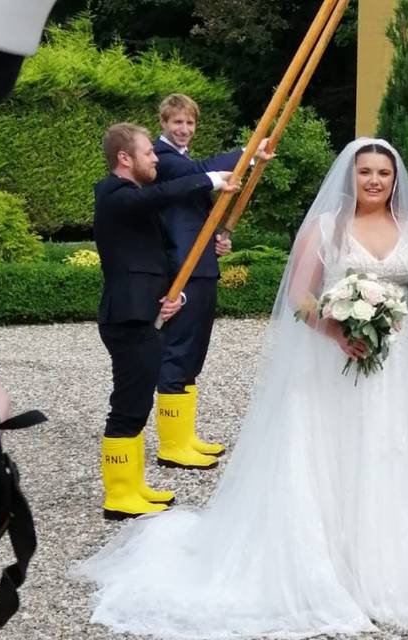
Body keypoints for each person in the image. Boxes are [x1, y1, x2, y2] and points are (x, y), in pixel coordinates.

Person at [75, 139, 408, 637]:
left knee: (395, 454)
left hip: (399, 369)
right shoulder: (327, 226)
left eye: (384, 172)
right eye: (365, 172)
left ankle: (393, 563)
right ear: (350, 176)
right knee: (333, 457)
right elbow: (300, 295)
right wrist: (337, 329)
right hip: (333, 364)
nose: (375, 181)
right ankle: (330, 567)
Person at [93, 122, 236, 520]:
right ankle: (118, 495)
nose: (156, 157)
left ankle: (134, 484)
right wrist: (207, 178)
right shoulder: (112, 193)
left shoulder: (138, 199)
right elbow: (162, 194)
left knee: (136, 403)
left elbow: (167, 253)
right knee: (127, 405)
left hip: (148, 313)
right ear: (125, 158)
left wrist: (178, 294)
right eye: (149, 153)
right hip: (126, 316)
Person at [152, 93, 271, 470]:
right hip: (181, 263)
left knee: (195, 350)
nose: (184, 130)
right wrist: (248, 152)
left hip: (201, 261)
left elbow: (197, 204)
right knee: (179, 348)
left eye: (189, 124)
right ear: (163, 124)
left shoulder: (182, 160)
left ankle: (185, 436)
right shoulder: (163, 160)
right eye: (177, 123)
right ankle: (171, 445)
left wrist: (218, 235)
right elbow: (200, 173)